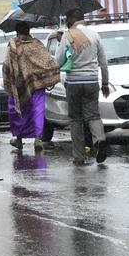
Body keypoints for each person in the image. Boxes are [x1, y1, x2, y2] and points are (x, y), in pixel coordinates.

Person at [54, 9, 110, 166]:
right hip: (92, 81)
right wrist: (105, 83)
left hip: (73, 83)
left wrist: (61, 43)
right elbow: (103, 62)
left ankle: (79, 156)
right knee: (93, 115)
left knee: (76, 119)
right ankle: (99, 139)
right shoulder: (94, 35)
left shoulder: (67, 35)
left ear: (70, 22)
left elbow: (58, 61)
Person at [3, 21, 60, 152]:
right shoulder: (37, 44)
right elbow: (49, 61)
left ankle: (18, 139)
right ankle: (38, 139)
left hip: (19, 85)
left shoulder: (13, 46)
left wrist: (9, 81)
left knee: (17, 109)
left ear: (17, 32)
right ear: (29, 31)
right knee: (38, 109)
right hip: (37, 84)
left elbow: (6, 65)